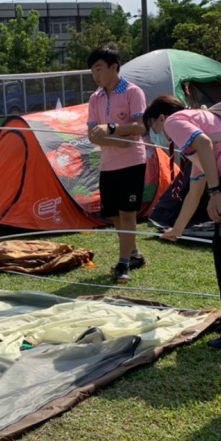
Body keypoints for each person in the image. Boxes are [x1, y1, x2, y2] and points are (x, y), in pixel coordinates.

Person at [143, 95, 221, 354]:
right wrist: (177, 230)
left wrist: (216, 191)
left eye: (153, 126)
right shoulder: (199, 138)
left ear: (161, 118)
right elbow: (194, 193)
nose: (155, 134)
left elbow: (204, 144)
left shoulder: (175, 121)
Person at [86, 45, 148, 285]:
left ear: (114, 67)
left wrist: (111, 129)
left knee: (128, 212)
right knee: (114, 215)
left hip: (131, 162)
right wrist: (111, 138)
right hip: (108, 164)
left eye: (99, 69)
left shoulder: (133, 92)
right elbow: (91, 134)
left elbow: (140, 127)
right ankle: (134, 253)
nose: (96, 75)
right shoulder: (95, 98)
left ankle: (123, 263)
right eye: (92, 71)